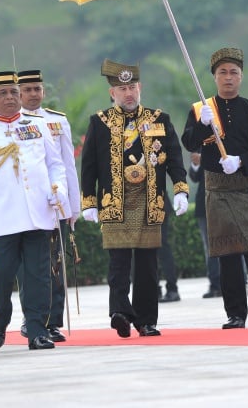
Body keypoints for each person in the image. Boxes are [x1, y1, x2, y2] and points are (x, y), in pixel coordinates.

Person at [79, 59, 189, 338]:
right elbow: (89, 164)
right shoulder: (99, 122)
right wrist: (89, 201)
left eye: (132, 87)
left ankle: (146, 320)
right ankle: (119, 312)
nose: (128, 93)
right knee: (118, 263)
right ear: (112, 93)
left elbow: (175, 157)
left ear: (140, 88)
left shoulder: (158, 119)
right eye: (121, 88)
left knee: (148, 265)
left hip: (150, 201)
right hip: (115, 201)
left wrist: (179, 188)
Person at [0, 70, 69, 351]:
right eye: (3, 93)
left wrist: (57, 188)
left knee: (39, 276)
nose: (10, 98)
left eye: (13, 92)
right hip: (1, 219)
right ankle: (0, 322)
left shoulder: (38, 124)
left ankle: (37, 331)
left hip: (38, 215)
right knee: (0, 275)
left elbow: (55, 164)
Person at [180, 47, 248, 330]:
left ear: (241, 76)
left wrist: (242, 162)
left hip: (247, 188)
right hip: (217, 192)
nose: (228, 78)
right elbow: (188, 143)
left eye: (233, 72)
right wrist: (202, 127)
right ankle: (235, 313)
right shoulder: (202, 109)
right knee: (228, 257)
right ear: (214, 77)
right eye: (223, 72)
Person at [15, 69, 81, 342]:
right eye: (27, 90)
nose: (33, 94)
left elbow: (67, 165)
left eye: (37, 89)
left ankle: (53, 321)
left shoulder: (57, 121)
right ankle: (31, 318)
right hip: (25, 206)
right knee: (28, 267)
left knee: (56, 263)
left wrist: (73, 206)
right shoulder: (11, 124)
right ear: (18, 93)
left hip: (54, 204)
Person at [189, 151, 222, 298]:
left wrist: (206, 158)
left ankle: (239, 281)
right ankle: (214, 284)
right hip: (204, 203)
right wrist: (196, 163)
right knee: (209, 247)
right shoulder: (200, 139)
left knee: (234, 243)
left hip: (227, 199)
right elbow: (195, 177)